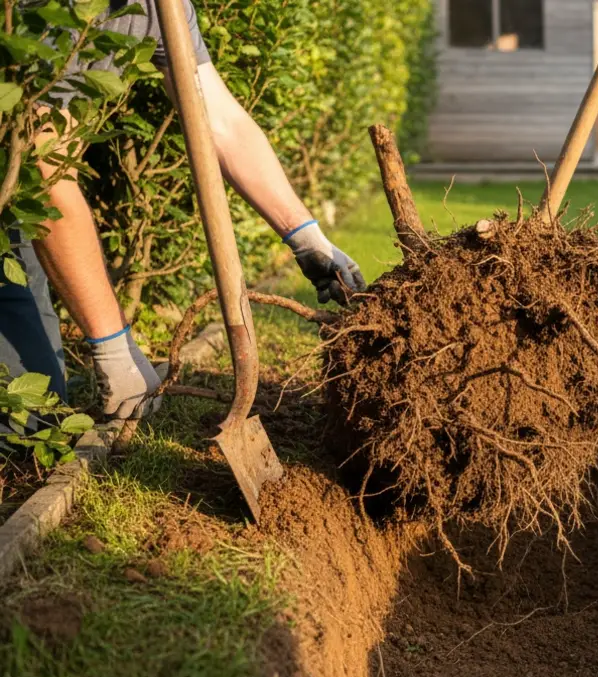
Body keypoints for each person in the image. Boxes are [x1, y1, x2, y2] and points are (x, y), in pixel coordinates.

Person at [1, 0, 366, 421]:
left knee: (30, 416)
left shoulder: (165, 8)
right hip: (17, 180)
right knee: (19, 423)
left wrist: (306, 238)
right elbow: (43, 168)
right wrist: (113, 347)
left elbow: (220, 121)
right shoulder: (49, 9)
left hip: (14, 195)